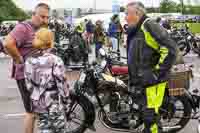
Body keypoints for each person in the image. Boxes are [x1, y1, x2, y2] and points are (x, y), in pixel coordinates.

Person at [125, 2, 177, 133]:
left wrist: (155, 74)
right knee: (148, 118)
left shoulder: (149, 25)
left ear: (137, 13)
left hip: (151, 85)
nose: (125, 17)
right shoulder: (136, 29)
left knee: (151, 120)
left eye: (127, 13)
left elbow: (170, 50)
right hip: (143, 84)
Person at [3, 3, 50, 133]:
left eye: (47, 17)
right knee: (31, 113)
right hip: (25, 76)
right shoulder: (23, 27)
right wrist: (19, 59)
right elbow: (8, 43)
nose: (45, 20)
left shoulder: (39, 29)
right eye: (42, 17)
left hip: (36, 76)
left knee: (37, 111)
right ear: (33, 15)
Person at [24, 28, 69, 133]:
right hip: (54, 102)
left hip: (38, 102)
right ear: (50, 41)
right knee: (59, 129)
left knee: (45, 128)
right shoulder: (55, 60)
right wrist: (66, 100)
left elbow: (28, 85)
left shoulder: (29, 60)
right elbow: (62, 83)